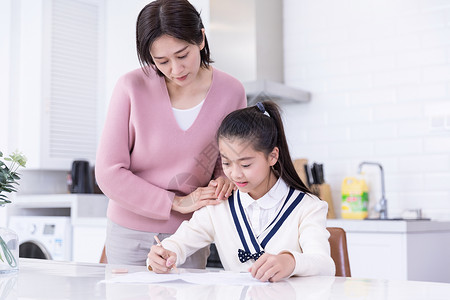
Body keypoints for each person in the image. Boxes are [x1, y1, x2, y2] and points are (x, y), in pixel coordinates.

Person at [95, 0, 246, 267]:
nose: (176, 70)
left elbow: (229, 162)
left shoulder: (231, 91)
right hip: (128, 231)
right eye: (161, 61)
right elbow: (108, 172)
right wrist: (176, 202)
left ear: (200, 38)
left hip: (190, 234)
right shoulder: (131, 87)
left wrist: (225, 181)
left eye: (182, 54)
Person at [147, 101, 335, 282]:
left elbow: (325, 265)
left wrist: (290, 262)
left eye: (246, 164)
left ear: (272, 157)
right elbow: (179, 243)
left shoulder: (308, 206)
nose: (235, 174)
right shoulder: (219, 205)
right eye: (226, 163)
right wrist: (163, 255)